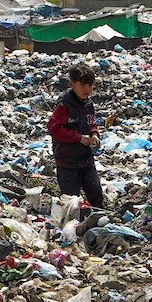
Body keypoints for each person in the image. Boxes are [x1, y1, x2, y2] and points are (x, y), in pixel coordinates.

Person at [47, 63, 104, 208]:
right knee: (70, 200)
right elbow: (54, 129)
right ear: (71, 84)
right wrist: (78, 138)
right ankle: (72, 228)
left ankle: (98, 220)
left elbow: (91, 124)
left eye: (90, 85)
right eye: (83, 85)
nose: (87, 89)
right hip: (67, 162)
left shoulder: (89, 105)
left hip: (86, 160)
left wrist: (95, 134)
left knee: (96, 192)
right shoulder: (64, 105)